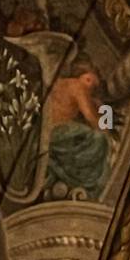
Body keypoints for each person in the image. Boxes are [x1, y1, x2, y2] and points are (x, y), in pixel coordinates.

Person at [46, 60, 111, 199]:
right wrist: (105, 128)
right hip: (58, 131)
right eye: (89, 80)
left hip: (47, 132)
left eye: (92, 87)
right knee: (99, 139)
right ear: (81, 76)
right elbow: (90, 117)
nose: (89, 87)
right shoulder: (77, 86)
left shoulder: (60, 81)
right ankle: (86, 182)